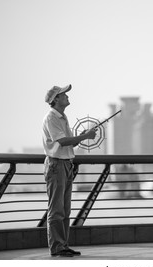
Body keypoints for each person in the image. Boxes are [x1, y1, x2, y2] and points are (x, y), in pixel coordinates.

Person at [42, 84, 96, 257]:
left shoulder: (62, 117)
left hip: (65, 164)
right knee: (56, 209)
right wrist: (85, 136)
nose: (67, 96)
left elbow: (71, 142)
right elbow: (63, 142)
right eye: (63, 94)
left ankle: (63, 245)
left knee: (65, 209)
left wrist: (82, 136)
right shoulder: (52, 117)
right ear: (55, 99)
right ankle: (57, 247)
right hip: (56, 165)